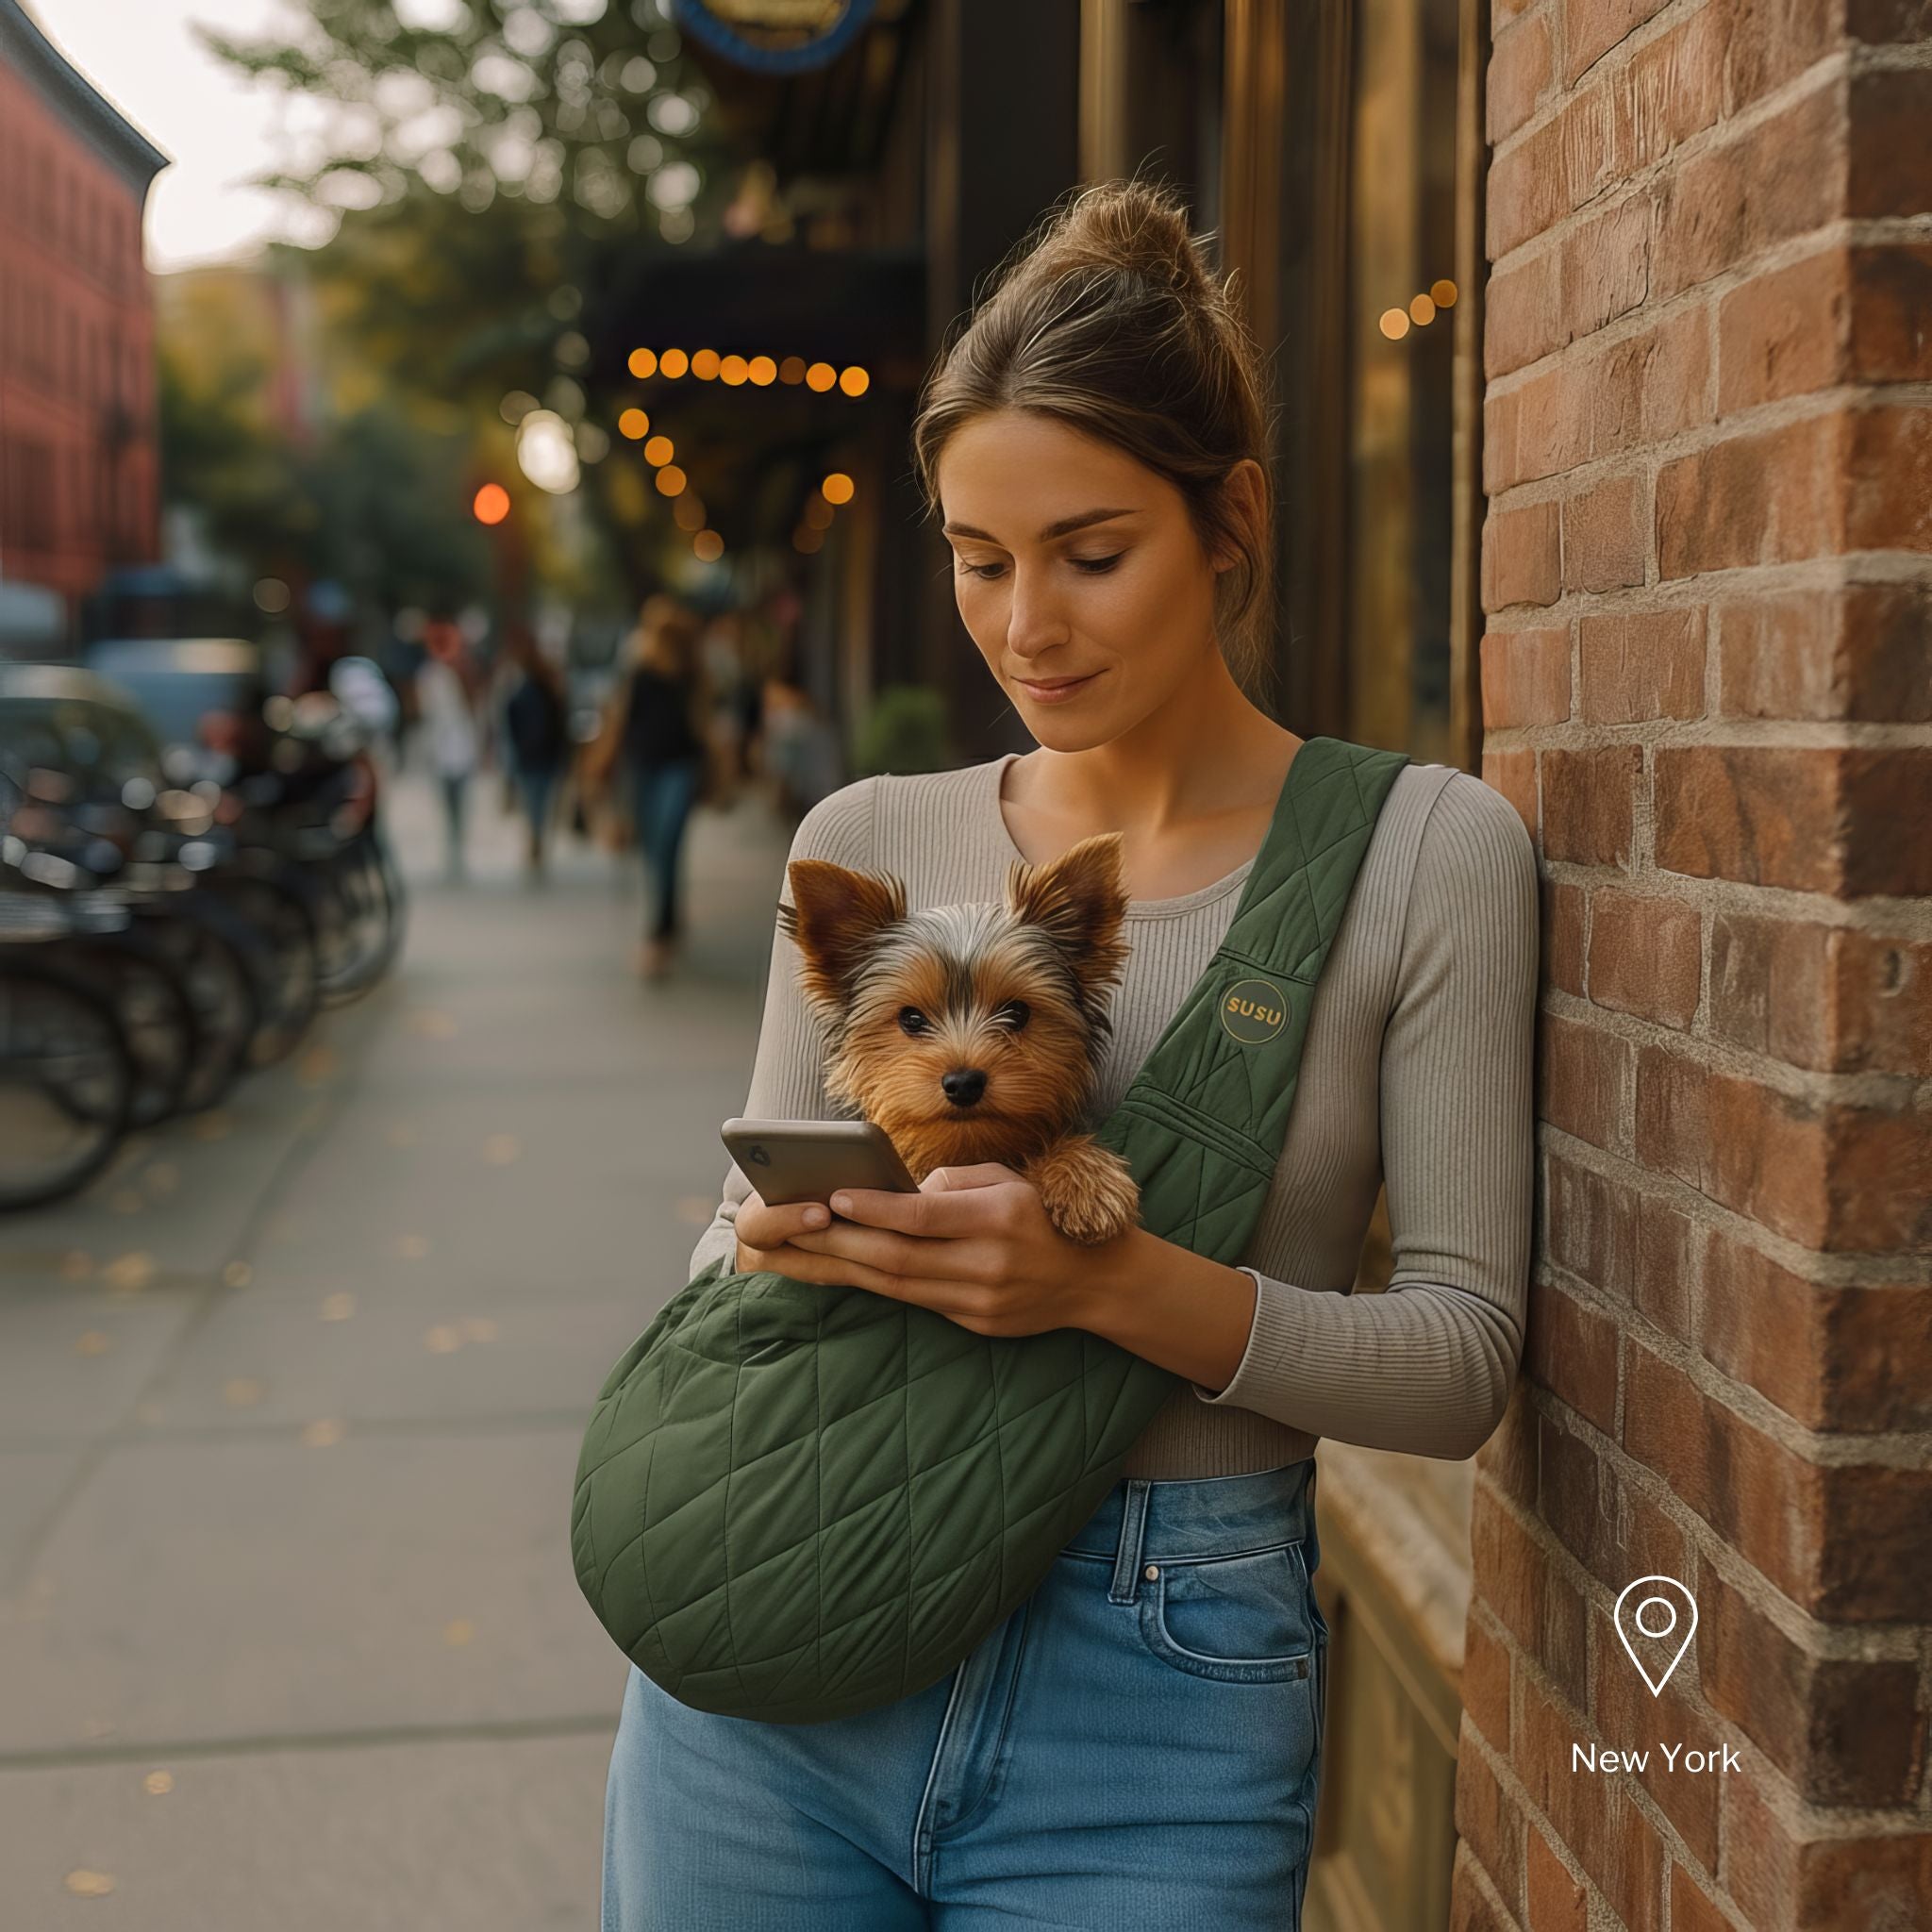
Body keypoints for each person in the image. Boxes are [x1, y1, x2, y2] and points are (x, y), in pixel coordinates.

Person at [599, 178, 1539, 1927]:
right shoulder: (869, 830)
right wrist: (765, 1239)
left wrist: (1103, 1285)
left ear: (1230, 520)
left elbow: (1460, 1360)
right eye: (977, 560)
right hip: (790, 1630)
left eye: (1090, 554)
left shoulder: (1423, 853)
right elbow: (736, 1247)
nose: (1025, 624)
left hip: (1158, 1688)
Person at [610, 596, 709, 979]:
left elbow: (700, 720)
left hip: (679, 767)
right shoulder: (641, 670)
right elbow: (625, 720)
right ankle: (668, 914)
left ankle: (659, 933)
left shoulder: (690, 671)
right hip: (644, 766)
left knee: (667, 844)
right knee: (655, 849)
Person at [499, 626, 571, 879]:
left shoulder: (543, 679)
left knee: (539, 802)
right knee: (535, 803)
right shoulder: (517, 680)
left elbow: (560, 716)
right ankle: (536, 841)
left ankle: (537, 841)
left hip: (543, 754)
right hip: (532, 755)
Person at [414, 616, 479, 883]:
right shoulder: (428, 675)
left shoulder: (462, 672)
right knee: (448, 807)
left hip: (461, 748)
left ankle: (458, 854)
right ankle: (452, 854)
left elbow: (473, 708)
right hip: (440, 750)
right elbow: (425, 712)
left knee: (461, 807)